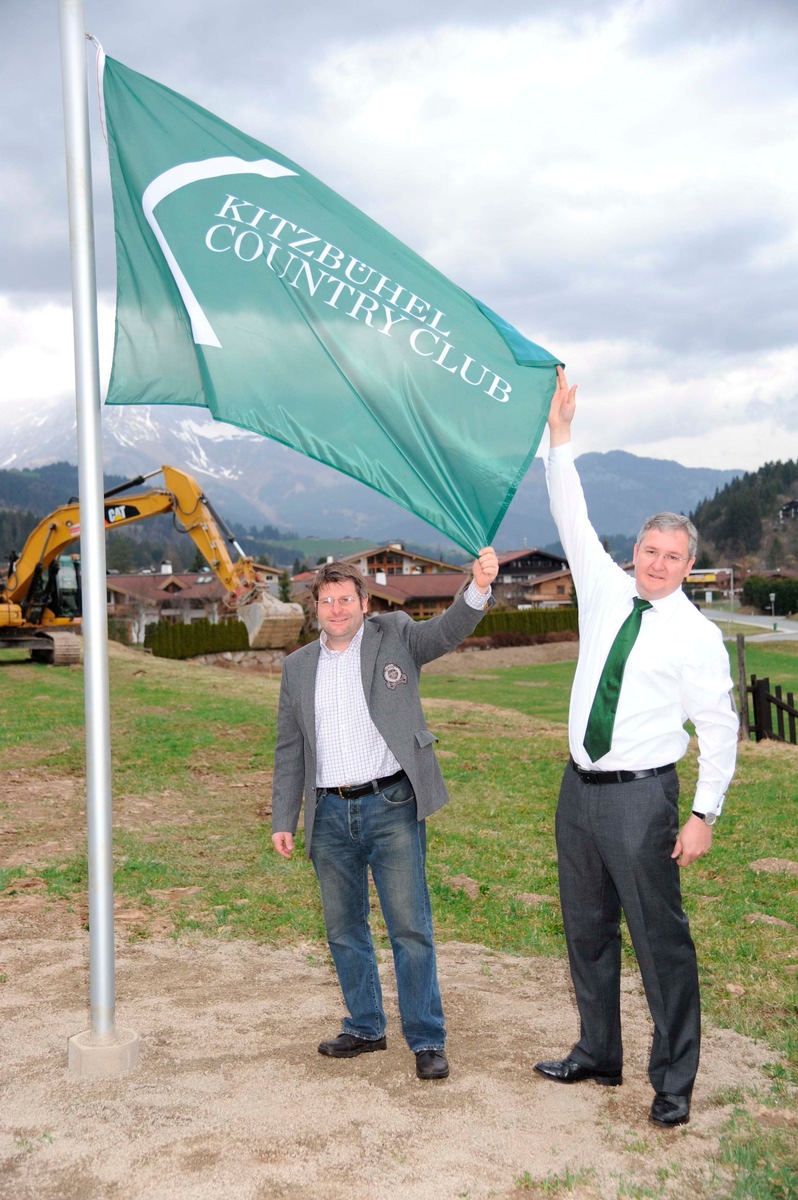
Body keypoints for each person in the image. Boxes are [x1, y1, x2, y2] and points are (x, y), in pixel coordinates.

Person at [535, 367, 738, 1128]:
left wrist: (702, 814)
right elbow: (568, 507)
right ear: (635, 549)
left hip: (643, 798)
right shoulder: (602, 585)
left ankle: (673, 1081)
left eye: (672, 557)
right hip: (579, 790)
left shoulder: (698, 636)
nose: (656, 564)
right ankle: (597, 1051)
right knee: (585, 927)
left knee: (659, 942)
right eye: (649, 550)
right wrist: (561, 434)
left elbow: (719, 731)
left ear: (689, 565)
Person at [271, 548, 498, 1080]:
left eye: (345, 599)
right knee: (344, 928)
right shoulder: (297, 667)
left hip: (392, 803)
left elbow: (446, 631)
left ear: (363, 602)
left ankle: (426, 1038)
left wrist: (478, 587)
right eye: (326, 601)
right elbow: (288, 748)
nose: (336, 609)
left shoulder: (395, 634)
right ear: (315, 608)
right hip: (328, 813)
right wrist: (285, 816)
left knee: (409, 927)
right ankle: (366, 1026)